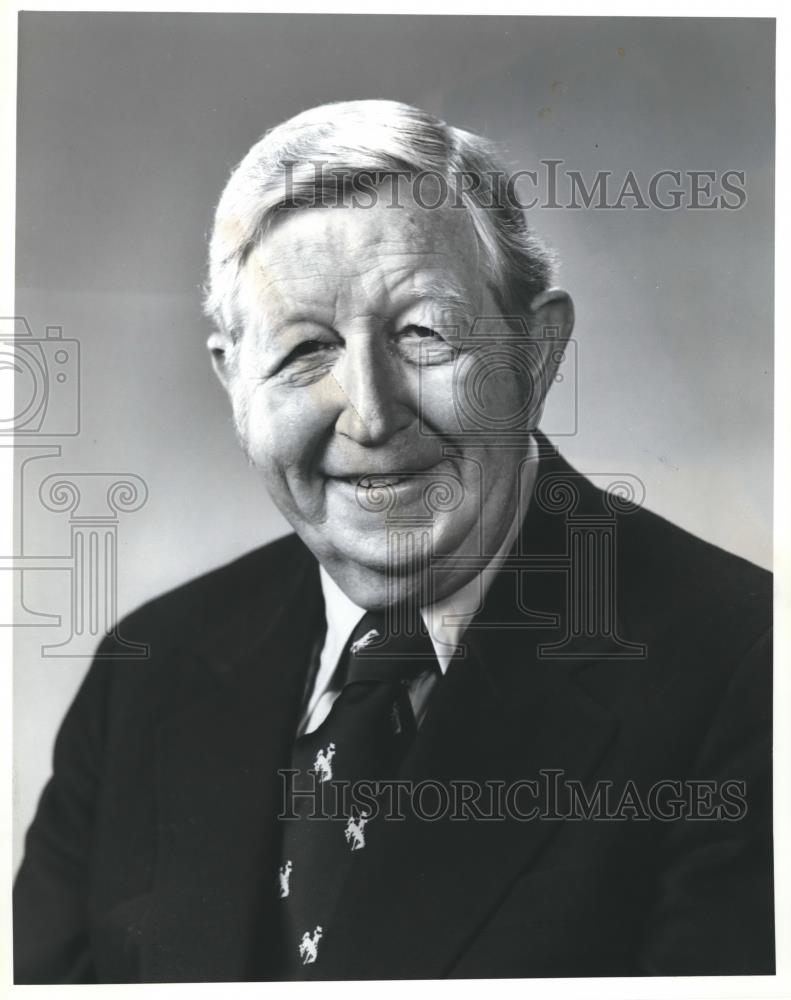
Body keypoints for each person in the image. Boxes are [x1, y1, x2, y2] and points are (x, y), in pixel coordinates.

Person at [13, 100, 773, 983]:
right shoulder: (148, 668)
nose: (370, 413)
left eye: (424, 334)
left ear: (535, 353)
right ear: (234, 381)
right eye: (305, 350)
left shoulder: (746, 669)